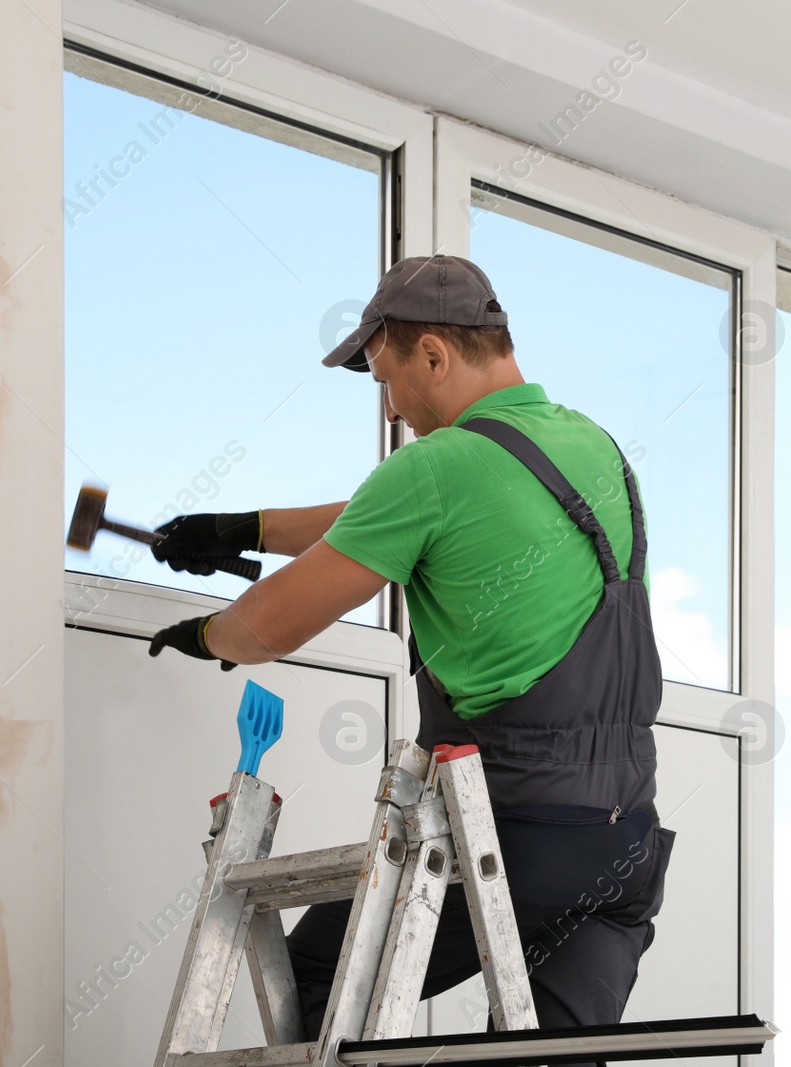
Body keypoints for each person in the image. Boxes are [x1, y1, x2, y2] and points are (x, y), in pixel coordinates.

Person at [145, 255, 673, 1054]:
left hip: (511, 835)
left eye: (386, 377)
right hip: (621, 843)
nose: (391, 408)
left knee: (313, 991)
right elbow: (395, 512)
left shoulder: (433, 467)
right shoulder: (592, 448)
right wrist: (243, 528)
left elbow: (267, 628)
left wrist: (203, 635)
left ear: (433, 353)